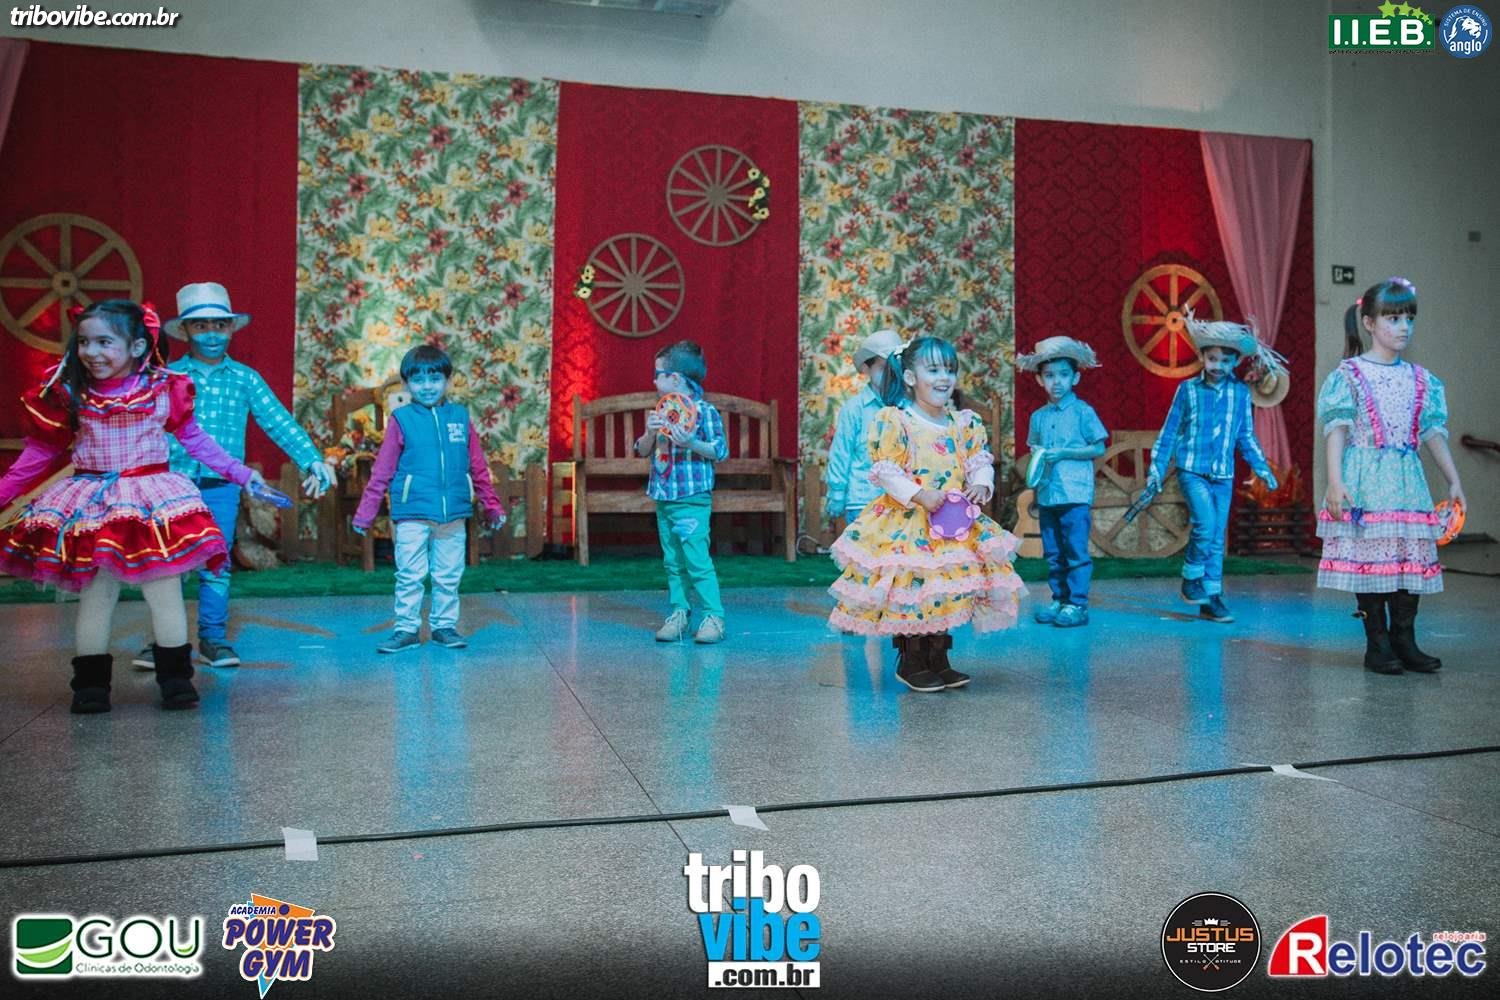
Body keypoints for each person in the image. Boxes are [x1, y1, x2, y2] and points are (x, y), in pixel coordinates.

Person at [0, 300, 266, 712]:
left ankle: (176, 680)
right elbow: (40, 453)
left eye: (104, 342)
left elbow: (196, 441)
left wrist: (242, 474)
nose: (91, 352)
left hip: (150, 503)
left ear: (137, 347)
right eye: (84, 342)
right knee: (97, 593)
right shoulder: (72, 394)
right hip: (95, 504)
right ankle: (90, 685)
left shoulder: (162, 388)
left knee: (164, 592)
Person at [131, 282, 334, 670]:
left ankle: (212, 639)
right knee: (167, 566)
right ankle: (162, 642)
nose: (211, 334)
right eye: (201, 326)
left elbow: (278, 421)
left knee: (216, 563)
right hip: (170, 486)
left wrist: (312, 460)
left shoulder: (245, 378)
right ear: (185, 331)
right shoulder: (168, 376)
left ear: (231, 329)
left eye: (220, 326)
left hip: (221, 488)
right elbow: (140, 427)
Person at [828, 336, 1025, 692]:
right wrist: (919, 494)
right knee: (914, 589)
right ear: (909, 377)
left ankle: (939, 657)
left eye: (949, 370)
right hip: (910, 524)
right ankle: (912, 660)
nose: (943, 377)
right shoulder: (896, 420)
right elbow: (887, 471)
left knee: (944, 588)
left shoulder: (963, 423)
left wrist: (982, 484)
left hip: (951, 525)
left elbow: (979, 461)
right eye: (933, 370)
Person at [1316, 277, 1464, 674]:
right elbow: (1337, 429)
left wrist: (1454, 479)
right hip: (1365, 481)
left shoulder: (1420, 378)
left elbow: (1431, 432)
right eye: (1393, 318)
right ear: (1369, 323)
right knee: (1373, 563)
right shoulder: (1350, 374)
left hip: (1406, 483)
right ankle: (1377, 645)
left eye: (1409, 319)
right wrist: (1335, 481)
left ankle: (1405, 640)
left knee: (1407, 562)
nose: (1403, 327)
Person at [352, 345, 506, 653]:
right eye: (418, 379)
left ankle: (444, 626)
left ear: (448, 381)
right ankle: (406, 629)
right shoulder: (401, 420)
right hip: (412, 513)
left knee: (448, 574)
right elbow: (382, 471)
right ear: (406, 384)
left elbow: (477, 467)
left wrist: (492, 505)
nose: (427, 386)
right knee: (410, 574)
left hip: (454, 514)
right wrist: (365, 513)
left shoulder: (460, 417)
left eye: (434, 378)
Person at [1147, 315, 1282, 624]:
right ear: (1202, 357)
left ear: (1235, 361)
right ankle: (1191, 577)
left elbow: (1245, 435)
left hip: (1223, 474)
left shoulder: (1240, 393)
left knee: (1217, 536)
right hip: (1192, 469)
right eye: (1212, 359)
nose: (1217, 365)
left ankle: (1211, 597)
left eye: (1225, 360)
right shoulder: (1188, 390)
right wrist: (1157, 467)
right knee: (1205, 525)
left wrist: (1261, 467)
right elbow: (1170, 432)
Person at [633, 340, 729, 644]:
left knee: (696, 559)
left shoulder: (704, 412)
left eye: (658, 374)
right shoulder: (662, 412)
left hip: (692, 498)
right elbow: (641, 450)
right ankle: (679, 612)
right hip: (664, 496)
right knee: (672, 561)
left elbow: (719, 451)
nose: (654, 381)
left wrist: (690, 443)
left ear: (675, 379)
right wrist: (649, 433)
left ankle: (713, 616)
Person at [1017, 336, 1108, 627]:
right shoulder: (1038, 417)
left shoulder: (1083, 412)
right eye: (1049, 375)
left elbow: (1098, 448)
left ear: (1075, 378)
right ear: (1040, 380)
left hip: (1075, 493)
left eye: (1064, 375)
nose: (1057, 382)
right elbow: (1035, 451)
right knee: (1054, 551)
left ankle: (1077, 604)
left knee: (1075, 551)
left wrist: (1065, 453)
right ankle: (1059, 599)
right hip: (1048, 493)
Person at [825, 328, 904, 525]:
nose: (890, 375)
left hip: (902, 499)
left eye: (894, 369)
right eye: (883, 368)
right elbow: (841, 452)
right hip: (863, 499)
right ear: (867, 369)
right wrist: (837, 493)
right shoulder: (854, 408)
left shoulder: (907, 406)